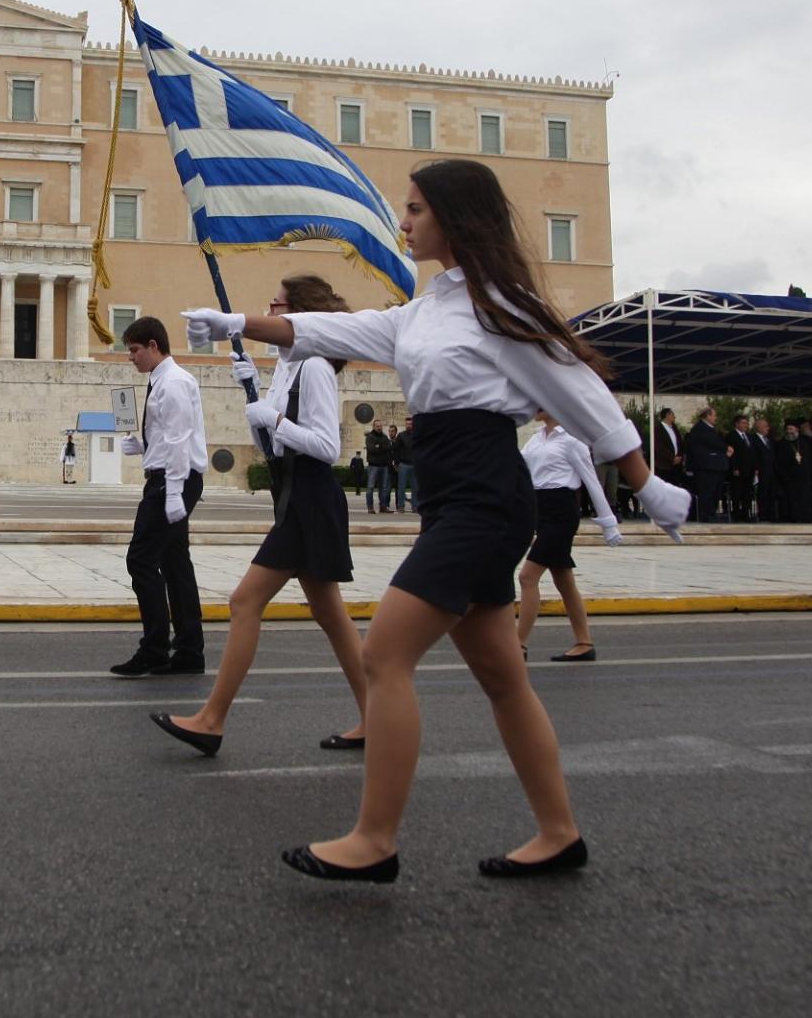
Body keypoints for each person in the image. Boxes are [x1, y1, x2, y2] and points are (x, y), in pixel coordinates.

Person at [184, 158, 691, 884]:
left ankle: (375, 839)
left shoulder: (499, 307)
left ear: (454, 216)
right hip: (450, 498)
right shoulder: (424, 311)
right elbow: (340, 328)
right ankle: (558, 831)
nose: (405, 221)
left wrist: (646, 483)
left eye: (417, 208)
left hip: (486, 498)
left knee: (384, 655)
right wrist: (241, 323)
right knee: (502, 676)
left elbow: (579, 390)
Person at [153, 275, 367, 758]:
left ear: (300, 315)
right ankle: (378, 716)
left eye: (277, 305)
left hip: (310, 499)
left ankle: (212, 719)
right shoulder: (289, 367)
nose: (268, 312)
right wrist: (255, 397)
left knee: (244, 602)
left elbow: (327, 446)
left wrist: (274, 419)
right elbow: (273, 449)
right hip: (292, 494)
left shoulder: (313, 367)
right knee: (331, 616)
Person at [110, 316, 207, 678]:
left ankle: (154, 648)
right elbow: (168, 436)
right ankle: (188, 650)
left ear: (153, 346)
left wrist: (174, 491)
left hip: (172, 480)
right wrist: (143, 447)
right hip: (168, 475)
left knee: (140, 560)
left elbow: (181, 439)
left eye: (134, 350)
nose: (130, 357)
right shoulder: (162, 381)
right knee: (175, 563)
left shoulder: (174, 383)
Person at [516, 412, 621, 662]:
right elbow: (519, 471)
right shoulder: (536, 438)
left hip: (561, 512)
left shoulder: (573, 440)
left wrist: (609, 524)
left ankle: (517, 646)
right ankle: (584, 643)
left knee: (527, 577)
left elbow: (592, 482)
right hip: (540, 510)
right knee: (564, 582)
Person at [684, 406, 729, 523]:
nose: (716, 418)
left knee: (715, 491)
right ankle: (705, 514)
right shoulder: (700, 428)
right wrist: (726, 448)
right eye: (714, 415)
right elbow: (712, 443)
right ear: (707, 416)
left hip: (715, 466)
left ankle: (711, 512)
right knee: (707, 491)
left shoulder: (711, 429)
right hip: (706, 466)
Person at [776, 421, 812, 522]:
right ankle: (792, 517)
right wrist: (784, 475)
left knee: (804, 498)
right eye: (787, 430)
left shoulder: (804, 442)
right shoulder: (782, 444)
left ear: (797, 430)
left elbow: (808, 459)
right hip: (789, 477)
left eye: (791, 429)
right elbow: (779, 462)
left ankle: (805, 517)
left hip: (803, 476)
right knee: (790, 499)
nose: (789, 432)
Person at [725, 414, 755, 521]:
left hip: (749, 470)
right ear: (736, 424)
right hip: (738, 470)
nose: (745, 425)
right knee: (737, 493)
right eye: (743, 423)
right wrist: (734, 468)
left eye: (746, 423)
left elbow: (752, 453)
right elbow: (731, 454)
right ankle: (737, 514)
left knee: (747, 493)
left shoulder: (749, 436)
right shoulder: (731, 436)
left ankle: (746, 514)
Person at [752, 417, 779, 522]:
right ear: (759, 427)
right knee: (763, 493)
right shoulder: (753, 439)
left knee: (772, 493)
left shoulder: (769, 440)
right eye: (766, 426)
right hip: (761, 471)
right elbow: (753, 455)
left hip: (771, 470)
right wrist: (755, 468)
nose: (768, 428)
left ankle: (771, 514)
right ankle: (762, 514)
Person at [364, 418, 394, 514]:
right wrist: (381, 447)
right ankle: (370, 507)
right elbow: (371, 449)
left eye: (380, 426)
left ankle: (383, 507)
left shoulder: (385, 437)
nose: (379, 428)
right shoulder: (370, 437)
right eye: (377, 426)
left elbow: (389, 448)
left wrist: (379, 446)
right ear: (373, 426)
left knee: (383, 488)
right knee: (370, 487)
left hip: (384, 466)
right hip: (373, 466)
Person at [391, 416, 416, 513]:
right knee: (401, 487)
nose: (409, 425)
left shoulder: (417, 435)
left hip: (414, 464)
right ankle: (401, 506)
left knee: (415, 487)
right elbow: (396, 450)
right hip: (403, 465)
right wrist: (397, 463)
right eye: (407, 424)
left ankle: (415, 506)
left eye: (411, 424)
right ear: (405, 425)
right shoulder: (401, 436)